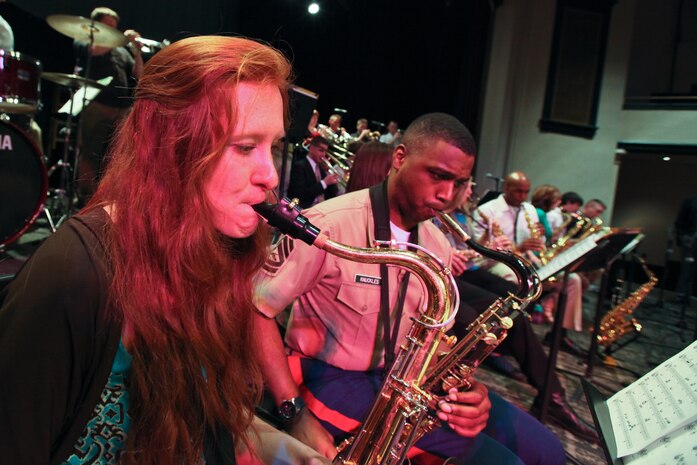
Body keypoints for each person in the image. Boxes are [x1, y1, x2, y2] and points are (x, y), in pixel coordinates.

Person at [0, 36, 330, 465]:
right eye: (245, 147)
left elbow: (191, 416)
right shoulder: (74, 273)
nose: (269, 175)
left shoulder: (217, 250)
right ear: (169, 147)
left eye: (274, 146)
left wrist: (279, 448)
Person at [254, 113, 566, 465]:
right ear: (399, 158)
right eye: (438, 176)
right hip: (327, 378)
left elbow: (434, 344)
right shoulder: (328, 224)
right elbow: (257, 312)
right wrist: (293, 413)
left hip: (401, 383)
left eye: (459, 182)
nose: (447, 195)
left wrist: (467, 392)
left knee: (547, 450)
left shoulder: (438, 244)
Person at [472, 172, 587, 357]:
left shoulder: (529, 210)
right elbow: (480, 251)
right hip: (497, 261)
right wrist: (518, 247)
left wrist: (539, 237)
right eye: (518, 191)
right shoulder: (486, 210)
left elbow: (532, 242)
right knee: (519, 282)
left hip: (526, 259)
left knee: (571, 279)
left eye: (526, 192)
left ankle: (559, 334)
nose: (523, 197)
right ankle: (510, 341)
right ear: (507, 188)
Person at [74, 7, 144, 202]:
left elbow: (139, 74)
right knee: (90, 152)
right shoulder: (84, 40)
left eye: (115, 27)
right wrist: (119, 38)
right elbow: (95, 51)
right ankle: (84, 198)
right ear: (95, 25)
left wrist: (136, 51)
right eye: (108, 26)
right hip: (97, 106)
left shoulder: (120, 51)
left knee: (116, 157)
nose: (112, 31)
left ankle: (108, 197)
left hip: (121, 110)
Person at [287, 135, 339, 209]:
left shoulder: (321, 168)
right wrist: (324, 182)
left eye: (325, 151)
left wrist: (330, 176)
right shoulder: (300, 166)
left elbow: (331, 194)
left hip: (320, 207)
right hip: (304, 208)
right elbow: (299, 195)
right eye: (321, 150)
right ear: (311, 148)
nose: (324, 155)